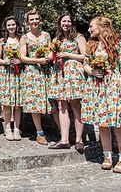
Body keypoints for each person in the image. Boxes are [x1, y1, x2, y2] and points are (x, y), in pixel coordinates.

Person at [81, 16, 121, 173]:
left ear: (102, 27)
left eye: (91, 26)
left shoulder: (118, 44)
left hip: (114, 85)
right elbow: (86, 65)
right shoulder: (91, 45)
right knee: (102, 123)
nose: (89, 29)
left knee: (119, 124)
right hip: (97, 87)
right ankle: (107, 156)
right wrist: (93, 71)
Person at [48, 13, 86, 152]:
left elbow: (85, 56)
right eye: (64, 21)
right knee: (61, 105)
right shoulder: (56, 39)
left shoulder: (79, 37)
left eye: (68, 21)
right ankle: (64, 139)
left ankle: (79, 140)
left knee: (75, 105)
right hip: (60, 73)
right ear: (60, 23)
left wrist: (68, 55)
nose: (66, 23)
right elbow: (51, 55)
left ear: (72, 23)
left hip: (74, 73)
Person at [20, 9, 57, 145]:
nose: (35, 21)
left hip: (46, 70)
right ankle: (39, 133)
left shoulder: (46, 35)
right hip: (32, 72)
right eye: (32, 19)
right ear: (28, 22)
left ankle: (61, 132)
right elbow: (22, 57)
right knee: (35, 101)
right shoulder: (25, 37)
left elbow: (51, 51)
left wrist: (48, 57)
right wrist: (36, 60)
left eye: (36, 19)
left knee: (51, 100)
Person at [0, 16, 22, 141]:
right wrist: (5, 61)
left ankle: (17, 128)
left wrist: (19, 60)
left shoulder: (21, 39)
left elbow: (25, 55)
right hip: (5, 73)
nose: (11, 27)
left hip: (18, 73)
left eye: (13, 24)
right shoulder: (2, 41)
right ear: (5, 27)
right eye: (9, 25)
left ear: (17, 26)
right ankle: (7, 128)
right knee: (6, 103)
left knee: (17, 103)